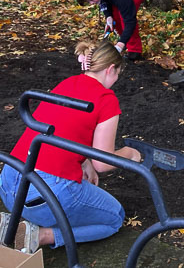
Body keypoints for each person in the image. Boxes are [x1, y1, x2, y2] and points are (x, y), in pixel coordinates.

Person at [0, 40, 142, 252]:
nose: (116, 80)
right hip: (44, 195)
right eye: (118, 74)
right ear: (111, 69)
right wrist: (131, 154)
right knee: (114, 218)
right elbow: (103, 162)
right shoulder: (106, 99)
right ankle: (41, 235)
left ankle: (15, 224)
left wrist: (85, 162)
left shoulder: (68, 83)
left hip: (10, 181)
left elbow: (62, 127)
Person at [75, 0, 154, 60]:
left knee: (124, 16)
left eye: (91, 0)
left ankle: (134, 51)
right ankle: (125, 41)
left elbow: (130, 20)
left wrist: (120, 44)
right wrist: (109, 16)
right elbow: (104, 0)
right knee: (115, 17)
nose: (91, 3)